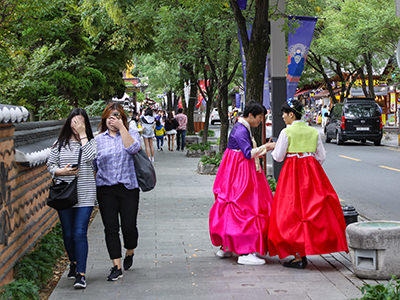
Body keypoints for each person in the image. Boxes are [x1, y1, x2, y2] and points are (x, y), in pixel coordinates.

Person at [267, 99, 348, 269]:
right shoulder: (313, 132)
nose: (282, 117)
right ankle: (309, 247)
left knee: (291, 210)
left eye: (284, 113)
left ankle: (298, 254)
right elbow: (321, 156)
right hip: (312, 173)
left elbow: (279, 156)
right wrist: (309, 162)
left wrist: (273, 147)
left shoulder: (286, 132)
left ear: (291, 114)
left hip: (292, 173)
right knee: (314, 208)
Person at [209, 101, 275, 265]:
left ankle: (227, 246)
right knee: (246, 207)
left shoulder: (240, 127)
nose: (260, 121)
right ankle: (245, 251)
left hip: (234, 171)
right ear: (251, 115)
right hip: (241, 172)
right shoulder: (241, 130)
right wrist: (267, 147)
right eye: (259, 118)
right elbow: (247, 153)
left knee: (233, 206)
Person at [47, 108, 96, 289]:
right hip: (65, 196)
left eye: (80, 123)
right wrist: (61, 171)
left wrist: (83, 135)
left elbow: (91, 158)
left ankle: (81, 275)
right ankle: (73, 262)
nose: (76, 126)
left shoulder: (91, 142)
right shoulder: (59, 144)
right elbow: (50, 165)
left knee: (79, 233)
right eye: (74, 123)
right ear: (68, 123)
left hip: (85, 194)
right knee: (68, 234)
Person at [94, 103, 142, 281]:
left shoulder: (131, 133)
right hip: (106, 189)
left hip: (128, 187)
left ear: (122, 118)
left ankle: (130, 250)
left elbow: (134, 149)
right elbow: (93, 165)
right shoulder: (98, 139)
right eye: (109, 117)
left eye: (116, 117)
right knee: (111, 228)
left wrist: (122, 128)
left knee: (129, 226)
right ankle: (116, 266)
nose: (111, 120)